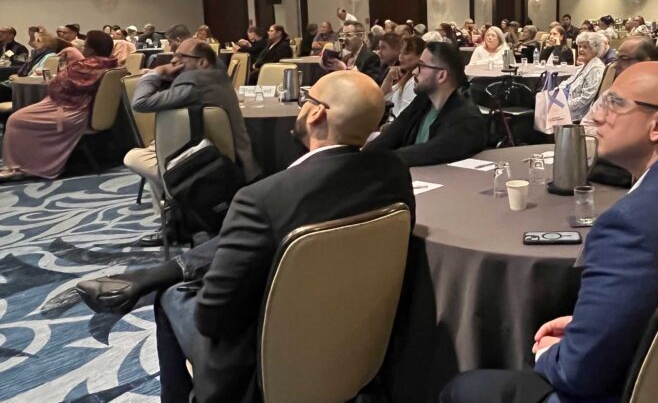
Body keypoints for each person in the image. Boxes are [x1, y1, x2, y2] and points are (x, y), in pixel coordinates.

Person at [440, 62, 658, 403]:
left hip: (646, 390)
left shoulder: (629, 225)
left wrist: (551, 353)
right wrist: (591, 326)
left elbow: (576, 373)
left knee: (465, 389)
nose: (596, 117)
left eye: (614, 104)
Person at [77, 71, 415, 403]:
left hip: (264, 365)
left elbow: (213, 319)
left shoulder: (261, 199)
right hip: (355, 341)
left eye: (306, 100)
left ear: (316, 113)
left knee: (170, 296)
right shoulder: (392, 173)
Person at [123, 39, 260, 243]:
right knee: (158, 159)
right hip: (224, 154)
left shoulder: (193, 85)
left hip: (209, 163)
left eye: (181, 57)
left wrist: (156, 73)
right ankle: (174, 220)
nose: (174, 62)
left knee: (138, 159)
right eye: (174, 56)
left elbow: (141, 102)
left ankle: (175, 220)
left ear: (202, 62)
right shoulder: (218, 77)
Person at [0, 31, 118, 182]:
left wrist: (61, 74)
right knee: (20, 117)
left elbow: (57, 85)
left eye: (85, 45)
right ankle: (26, 162)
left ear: (92, 50)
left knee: (16, 120)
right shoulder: (110, 64)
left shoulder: (85, 67)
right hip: (82, 108)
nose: (83, 48)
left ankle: (22, 167)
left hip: (71, 111)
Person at [367, 42, 487, 167]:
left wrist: (376, 160)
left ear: (441, 75)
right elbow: (389, 137)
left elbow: (425, 153)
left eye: (421, 66)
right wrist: (361, 159)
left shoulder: (467, 121)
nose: (414, 72)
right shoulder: (422, 102)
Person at [561, 32, 608, 123]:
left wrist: (562, 106)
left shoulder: (596, 69)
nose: (581, 50)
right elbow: (566, 83)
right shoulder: (582, 67)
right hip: (564, 106)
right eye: (579, 46)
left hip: (578, 116)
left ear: (595, 49)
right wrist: (554, 97)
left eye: (585, 47)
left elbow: (585, 99)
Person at [382, 36, 425, 119]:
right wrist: (389, 78)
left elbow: (405, 116)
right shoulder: (406, 76)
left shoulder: (415, 80)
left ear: (420, 55)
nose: (400, 57)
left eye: (406, 53)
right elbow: (384, 97)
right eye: (400, 53)